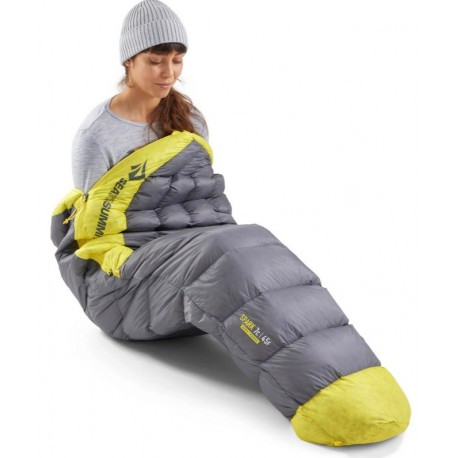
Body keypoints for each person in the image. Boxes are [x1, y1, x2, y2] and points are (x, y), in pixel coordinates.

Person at [72, 0, 209, 194]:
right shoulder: (96, 136)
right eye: (156, 61)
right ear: (129, 60)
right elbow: (93, 211)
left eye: (177, 60)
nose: (169, 73)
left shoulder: (191, 119)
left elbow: (203, 197)